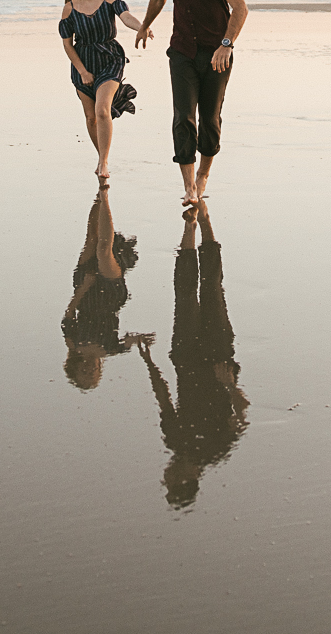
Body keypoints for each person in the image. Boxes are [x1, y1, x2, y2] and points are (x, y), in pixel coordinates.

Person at [135, 199, 247, 508]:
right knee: (212, 287)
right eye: (171, 479)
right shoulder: (216, 450)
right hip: (217, 357)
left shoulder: (174, 441)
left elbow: (163, 398)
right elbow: (243, 416)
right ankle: (206, 221)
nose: (167, 473)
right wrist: (229, 385)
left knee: (184, 292)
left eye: (166, 478)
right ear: (186, 480)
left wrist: (149, 362)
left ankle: (190, 226)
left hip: (184, 357)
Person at [132, 0, 247, 205]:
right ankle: (189, 188)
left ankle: (203, 176)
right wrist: (145, 25)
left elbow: (240, 8)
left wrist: (226, 45)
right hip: (182, 51)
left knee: (209, 119)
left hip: (215, 54)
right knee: (183, 117)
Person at [57, 0, 144, 184]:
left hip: (110, 58)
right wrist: (83, 72)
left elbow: (126, 17)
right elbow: (68, 45)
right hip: (83, 61)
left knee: (103, 110)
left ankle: (104, 162)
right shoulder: (70, 8)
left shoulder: (110, 0)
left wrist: (142, 27)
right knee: (91, 117)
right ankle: (100, 157)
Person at [61, 183, 148, 390]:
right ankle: (106, 198)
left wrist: (83, 287)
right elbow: (129, 341)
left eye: (85, 373)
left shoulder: (74, 345)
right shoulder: (109, 350)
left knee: (91, 239)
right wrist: (139, 340)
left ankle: (98, 197)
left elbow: (68, 316)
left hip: (86, 292)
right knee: (103, 250)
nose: (91, 370)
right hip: (110, 296)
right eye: (94, 374)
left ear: (75, 367)